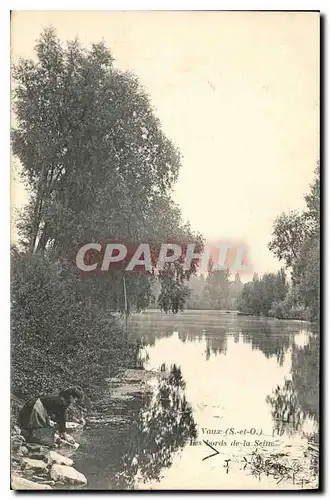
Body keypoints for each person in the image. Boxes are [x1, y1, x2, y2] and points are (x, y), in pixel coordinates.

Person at [18, 387, 84, 442]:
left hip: (37, 406)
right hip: (34, 407)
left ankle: (29, 434)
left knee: (46, 426)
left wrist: (62, 432)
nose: (75, 401)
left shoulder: (63, 399)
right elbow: (61, 418)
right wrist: (64, 434)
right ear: (71, 396)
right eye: (75, 399)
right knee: (37, 426)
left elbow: (61, 416)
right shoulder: (60, 401)